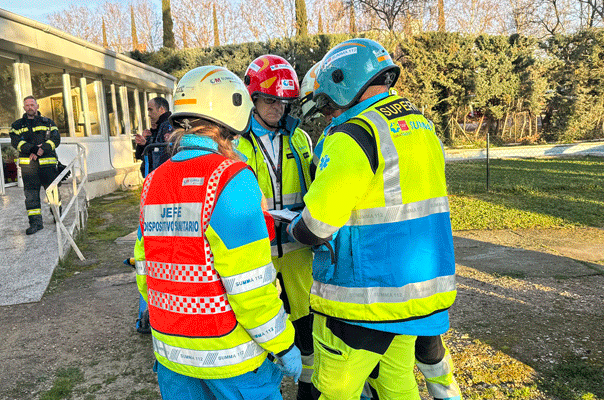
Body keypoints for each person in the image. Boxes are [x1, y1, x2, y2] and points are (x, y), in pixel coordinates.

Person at [287, 38, 458, 400]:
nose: (329, 112)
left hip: (363, 299)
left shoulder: (353, 135)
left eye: (328, 102)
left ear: (341, 81)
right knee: (397, 385)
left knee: (333, 390)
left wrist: (290, 227)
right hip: (417, 293)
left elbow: (316, 226)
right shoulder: (423, 128)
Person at [134, 65, 302, 400]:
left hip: (173, 357)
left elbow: (144, 269)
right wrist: (282, 345)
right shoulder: (230, 179)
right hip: (231, 362)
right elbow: (250, 285)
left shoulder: (153, 181)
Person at [236, 54, 315, 400]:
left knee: (306, 327)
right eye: (269, 100)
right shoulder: (236, 144)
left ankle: (309, 388)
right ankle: (266, 390)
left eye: (282, 101)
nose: (277, 108)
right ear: (253, 99)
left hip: (297, 250)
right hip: (258, 254)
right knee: (260, 329)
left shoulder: (300, 139)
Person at [10, 96, 61, 235]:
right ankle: (35, 224)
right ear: (24, 107)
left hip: (48, 166)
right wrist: (32, 149)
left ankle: (58, 218)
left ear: (37, 106)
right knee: (31, 196)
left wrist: (41, 149)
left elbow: (56, 139)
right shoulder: (17, 126)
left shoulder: (48, 123)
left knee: (53, 194)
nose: (30, 107)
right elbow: (16, 142)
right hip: (29, 168)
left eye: (32, 105)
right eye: (27, 105)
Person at [134, 96, 173, 175]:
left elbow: (162, 154)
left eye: (150, 110)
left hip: (162, 175)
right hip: (153, 175)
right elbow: (139, 155)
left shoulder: (168, 126)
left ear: (161, 109)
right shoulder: (156, 129)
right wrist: (142, 143)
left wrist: (146, 144)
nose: (149, 114)